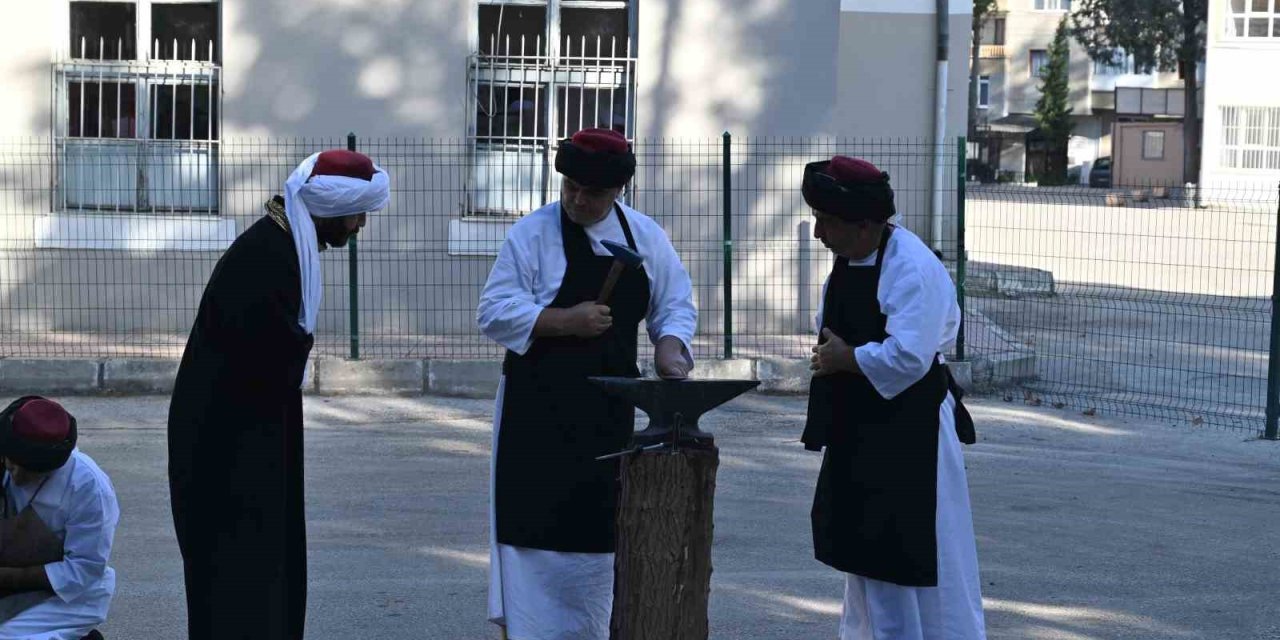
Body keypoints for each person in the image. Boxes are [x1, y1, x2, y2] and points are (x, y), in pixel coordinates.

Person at [478, 128, 697, 640]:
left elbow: (674, 305)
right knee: (534, 532)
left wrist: (671, 349)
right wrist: (561, 321)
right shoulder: (531, 234)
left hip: (609, 413)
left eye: (593, 192)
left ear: (619, 191)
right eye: (571, 186)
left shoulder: (646, 235)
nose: (578, 199)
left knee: (602, 534)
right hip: (537, 415)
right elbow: (494, 311)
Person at [167, 149, 390, 639]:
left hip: (251, 439)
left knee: (264, 575)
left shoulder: (286, 245)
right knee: (240, 583)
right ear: (330, 209)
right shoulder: (268, 256)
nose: (359, 227)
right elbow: (266, 364)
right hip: (226, 454)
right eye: (357, 214)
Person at [801, 156, 986, 640]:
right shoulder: (850, 259)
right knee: (864, 552)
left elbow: (909, 356)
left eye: (827, 221)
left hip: (909, 432)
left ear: (866, 225)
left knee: (901, 552)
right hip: (861, 426)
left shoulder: (912, 268)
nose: (819, 233)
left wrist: (846, 359)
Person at [0, 396, 118, 640]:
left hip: (67, 596)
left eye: (32, 473)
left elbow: (84, 570)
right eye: (12, 466)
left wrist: (8, 576)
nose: (18, 478)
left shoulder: (89, 486)